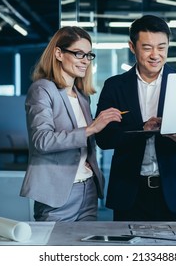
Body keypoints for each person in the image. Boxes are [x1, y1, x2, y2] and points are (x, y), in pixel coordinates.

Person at [95, 15, 176, 221]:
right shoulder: (115, 86)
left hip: (175, 191)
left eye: (162, 47)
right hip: (129, 192)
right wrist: (143, 129)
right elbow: (104, 139)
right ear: (132, 46)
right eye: (147, 48)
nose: (155, 55)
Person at [20, 26, 122, 222]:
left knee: (87, 250)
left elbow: (81, 144)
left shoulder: (82, 95)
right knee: (55, 251)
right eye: (78, 54)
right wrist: (92, 128)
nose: (85, 61)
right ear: (58, 53)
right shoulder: (42, 89)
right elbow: (42, 141)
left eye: (89, 55)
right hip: (57, 193)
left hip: (87, 189)